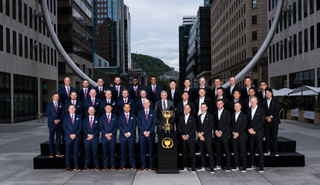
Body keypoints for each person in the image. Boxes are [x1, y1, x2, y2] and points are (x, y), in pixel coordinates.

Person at [137, 99, 157, 172]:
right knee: (142, 150)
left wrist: (149, 131)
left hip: (150, 134)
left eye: (147, 103)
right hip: (142, 134)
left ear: (149, 104)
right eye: (144, 103)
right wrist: (144, 131)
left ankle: (151, 166)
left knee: (151, 150)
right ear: (143, 104)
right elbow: (139, 123)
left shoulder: (153, 112)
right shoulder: (140, 112)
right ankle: (143, 165)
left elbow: (154, 123)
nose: (146, 104)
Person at [247, 96, 265, 173]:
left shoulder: (261, 110)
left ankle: (261, 166)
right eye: (251, 101)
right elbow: (246, 121)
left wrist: (254, 129)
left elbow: (261, 121)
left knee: (260, 149)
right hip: (250, 133)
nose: (253, 102)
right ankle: (252, 164)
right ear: (250, 102)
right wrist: (249, 129)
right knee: (251, 149)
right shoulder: (247, 110)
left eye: (254, 101)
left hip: (258, 132)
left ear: (257, 101)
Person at [63, 104, 82, 172]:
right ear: (68, 109)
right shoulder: (65, 117)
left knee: (76, 152)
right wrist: (70, 135)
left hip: (76, 138)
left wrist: (75, 134)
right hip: (68, 138)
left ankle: (76, 166)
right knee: (68, 152)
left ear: (75, 109)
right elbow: (64, 127)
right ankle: (67, 166)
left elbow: (80, 127)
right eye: (70, 108)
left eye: (73, 108)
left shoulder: (79, 117)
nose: (71, 109)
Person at [213, 99, 231, 172]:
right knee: (218, 150)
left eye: (220, 103)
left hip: (224, 134)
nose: (219, 105)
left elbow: (228, 124)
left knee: (226, 150)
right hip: (217, 134)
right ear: (216, 105)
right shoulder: (214, 112)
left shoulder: (227, 112)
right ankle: (218, 164)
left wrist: (220, 131)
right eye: (218, 103)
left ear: (223, 104)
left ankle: (228, 166)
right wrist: (216, 131)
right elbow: (213, 123)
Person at [196, 103, 215, 173]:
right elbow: (197, 127)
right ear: (200, 108)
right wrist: (199, 134)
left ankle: (212, 167)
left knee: (210, 152)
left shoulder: (210, 116)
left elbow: (210, 127)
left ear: (207, 108)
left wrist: (202, 134)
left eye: (204, 107)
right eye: (202, 107)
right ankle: (203, 166)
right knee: (202, 152)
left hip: (207, 137)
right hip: (200, 138)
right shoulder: (198, 117)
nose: (203, 108)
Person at [178, 104, 197, 173]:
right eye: (185, 108)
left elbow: (194, 128)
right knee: (184, 153)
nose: (186, 109)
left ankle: (193, 167)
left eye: (188, 108)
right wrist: (183, 135)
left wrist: (188, 135)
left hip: (190, 138)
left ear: (190, 109)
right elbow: (179, 127)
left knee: (192, 153)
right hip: (183, 138)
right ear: (183, 109)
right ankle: (184, 166)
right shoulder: (181, 118)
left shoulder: (193, 118)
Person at [118, 103, 137, 171]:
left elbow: (134, 126)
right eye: (125, 107)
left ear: (130, 108)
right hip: (123, 136)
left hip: (131, 136)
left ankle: (133, 165)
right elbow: (119, 125)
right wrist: (125, 133)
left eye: (128, 107)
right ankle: (122, 165)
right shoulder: (120, 116)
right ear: (123, 108)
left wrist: (129, 133)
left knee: (131, 151)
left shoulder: (133, 116)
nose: (127, 108)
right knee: (123, 151)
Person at [262, 88, 280, 156]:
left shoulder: (276, 101)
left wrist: (271, 117)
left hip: (274, 121)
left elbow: (277, 110)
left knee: (274, 137)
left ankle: (275, 151)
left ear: (271, 93)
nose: (268, 94)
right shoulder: (263, 102)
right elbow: (263, 111)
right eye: (266, 93)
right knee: (267, 137)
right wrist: (266, 117)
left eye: (269, 92)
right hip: (266, 122)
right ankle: (268, 150)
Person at [230, 102, 248, 172]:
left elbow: (244, 125)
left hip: (242, 136)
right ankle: (236, 165)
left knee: (243, 151)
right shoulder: (232, 115)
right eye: (235, 106)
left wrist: (238, 133)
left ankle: (244, 166)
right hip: (234, 136)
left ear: (240, 107)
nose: (236, 107)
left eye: (238, 106)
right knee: (235, 151)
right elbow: (230, 125)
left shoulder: (244, 115)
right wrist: (233, 133)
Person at [99, 104, 118, 171]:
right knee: (105, 152)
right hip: (104, 137)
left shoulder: (114, 116)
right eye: (107, 107)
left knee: (112, 151)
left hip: (112, 136)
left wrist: (110, 134)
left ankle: (113, 165)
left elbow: (116, 127)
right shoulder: (102, 117)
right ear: (105, 108)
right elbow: (101, 127)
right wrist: (106, 134)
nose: (108, 109)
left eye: (109, 107)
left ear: (111, 108)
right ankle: (105, 165)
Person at [46, 93, 64, 158]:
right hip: (52, 124)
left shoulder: (61, 104)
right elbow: (48, 114)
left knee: (58, 138)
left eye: (57, 96)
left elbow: (63, 113)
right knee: (51, 137)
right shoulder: (49, 105)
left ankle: (58, 152)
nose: (56, 97)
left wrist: (59, 120)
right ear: (52, 97)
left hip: (59, 124)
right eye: (55, 96)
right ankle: (51, 152)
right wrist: (54, 120)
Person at [82, 106, 100, 171]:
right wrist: (88, 135)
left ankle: (96, 165)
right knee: (87, 152)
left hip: (94, 138)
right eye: (90, 110)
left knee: (95, 152)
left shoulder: (97, 119)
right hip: (87, 138)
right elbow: (83, 128)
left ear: (94, 111)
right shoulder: (84, 119)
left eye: (92, 110)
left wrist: (92, 135)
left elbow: (98, 129)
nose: (91, 111)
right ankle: (86, 165)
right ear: (88, 111)